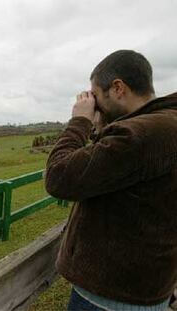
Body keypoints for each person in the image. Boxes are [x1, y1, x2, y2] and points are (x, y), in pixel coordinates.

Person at [45, 50, 177, 311]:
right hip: (146, 287)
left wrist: (80, 121)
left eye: (95, 95)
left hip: (111, 297)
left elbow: (59, 177)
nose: (93, 102)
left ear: (117, 88)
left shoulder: (140, 134)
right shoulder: (165, 123)